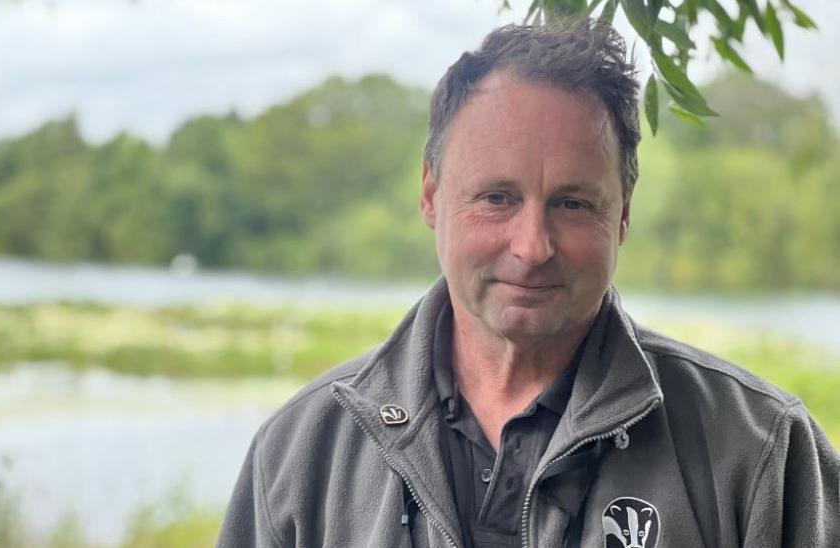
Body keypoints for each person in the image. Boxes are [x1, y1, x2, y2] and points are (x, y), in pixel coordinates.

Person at [217, 19, 839, 548]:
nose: (532, 247)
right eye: (496, 198)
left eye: (572, 204)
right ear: (431, 197)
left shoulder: (762, 452)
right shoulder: (298, 454)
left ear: (622, 215)